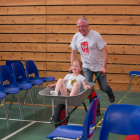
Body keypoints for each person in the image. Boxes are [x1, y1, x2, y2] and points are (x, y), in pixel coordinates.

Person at [70, 17, 115, 114]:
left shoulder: (95, 35)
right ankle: (95, 108)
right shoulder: (76, 37)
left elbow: (105, 51)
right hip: (86, 66)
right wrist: (72, 65)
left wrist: (104, 66)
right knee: (88, 89)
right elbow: (73, 51)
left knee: (103, 87)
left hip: (99, 66)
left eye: (83, 26)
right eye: (79, 27)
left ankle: (109, 92)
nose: (81, 28)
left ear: (87, 26)